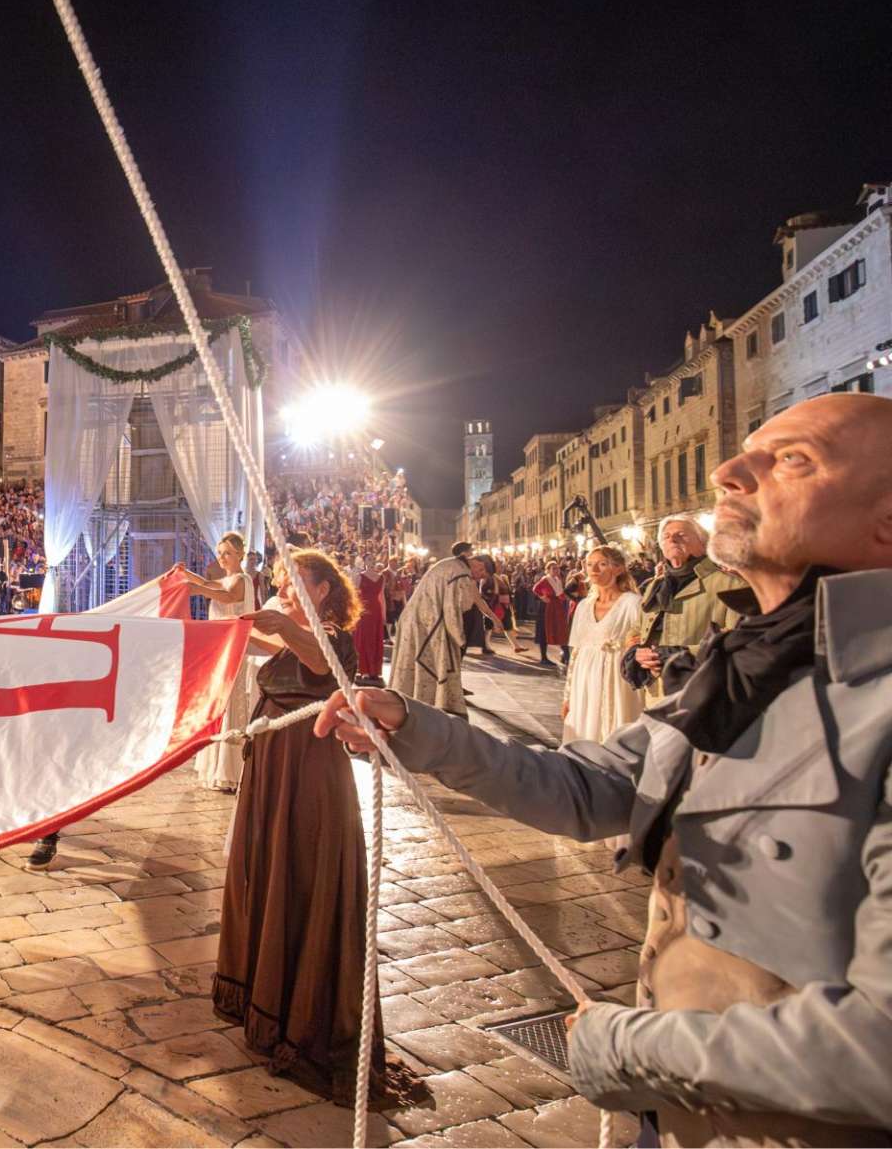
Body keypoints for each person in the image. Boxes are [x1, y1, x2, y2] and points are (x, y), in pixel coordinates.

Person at [316, 393, 892, 1145]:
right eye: (747, 450)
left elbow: (877, 1046)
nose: (726, 470)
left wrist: (623, 1047)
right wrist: (411, 723)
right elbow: (580, 787)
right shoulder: (740, 672)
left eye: (792, 459)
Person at [213, 548, 418, 1103]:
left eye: (292, 579)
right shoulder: (290, 633)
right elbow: (251, 643)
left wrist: (283, 623)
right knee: (268, 867)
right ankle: (262, 989)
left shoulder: (332, 636)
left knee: (300, 867)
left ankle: (301, 1009)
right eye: (277, 580)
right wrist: (200, 631)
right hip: (273, 766)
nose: (280, 586)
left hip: (309, 770)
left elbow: (324, 665)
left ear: (323, 588)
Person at [624, 513, 742, 704]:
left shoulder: (729, 584)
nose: (672, 539)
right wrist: (638, 652)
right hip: (656, 693)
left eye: (682, 534)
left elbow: (738, 639)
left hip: (703, 694)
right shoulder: (656, 586)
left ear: (703, 544)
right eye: (666, 536)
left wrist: (673, 656)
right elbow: (637, 629)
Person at [176, 532, 254, 794]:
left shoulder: (242, 580)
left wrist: (197, 589)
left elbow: (229, 597)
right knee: (219, 702)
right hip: (221, 649)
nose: (222, 557)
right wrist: (186, 575)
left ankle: (231, 769)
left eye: (228, 553)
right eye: (220, 553)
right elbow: (216, 586)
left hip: (233, 647)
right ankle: (217, 764)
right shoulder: (227, 580)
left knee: (230, 702)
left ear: (240, 554)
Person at [387, 542, 494, 715]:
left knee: (413, 667)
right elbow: (455, 607)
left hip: (419, 620)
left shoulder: (452, 564)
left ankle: (412, 707)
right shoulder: (460, 574)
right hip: (427, 624)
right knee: (440, 663)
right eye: (481, 573)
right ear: (478, 564)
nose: (478, 577)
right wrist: (459, 639)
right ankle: (431, 710)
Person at [562, 546, 642, 747]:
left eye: (602, 564)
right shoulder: (583, 606)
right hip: (585, 679)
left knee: (614, 729)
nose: (594, 569)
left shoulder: (632, 603)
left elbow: (642, 641)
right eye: (589, 565)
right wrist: (568, 695)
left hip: (616, 678)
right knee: (584, 730)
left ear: (618, 569)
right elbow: (576, 653)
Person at [532, 560, 573, 667]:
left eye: (557, 568)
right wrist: (542, 597)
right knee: (544, 630)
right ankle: (544, 657)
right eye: (553, 568)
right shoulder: (545, 580)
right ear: (548, 570)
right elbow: (535, 589)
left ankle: (566, 655)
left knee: (560, 629)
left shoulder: (557, 580)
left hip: (557, 607)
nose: (556, 570)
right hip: (547, 608)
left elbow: (561, 594)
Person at [354, 555, 388, 682]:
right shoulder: (359, 576)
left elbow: (382, 597)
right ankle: (364, 670)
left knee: (375, 638)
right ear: (364, 562)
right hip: (363, 610)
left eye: (373, 560)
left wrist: (384, 614)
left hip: (376, 610)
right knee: (363, 638)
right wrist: (355, 612)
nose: (372, 562)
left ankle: (374, 670)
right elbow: (355, 595)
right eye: (369, 560)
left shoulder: (382, 577)